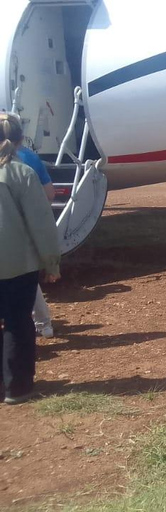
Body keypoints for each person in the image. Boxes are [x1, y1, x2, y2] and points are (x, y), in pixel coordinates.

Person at [0, 113, 60, 404]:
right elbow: (41, 223)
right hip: (15, 265)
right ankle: (17, 388)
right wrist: (51, 262)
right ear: (16, 142)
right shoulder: (22, 173)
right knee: (16, 323)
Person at [16, 143, 56, 338]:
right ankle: (43, 324)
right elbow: (50, 195)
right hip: (24, 232)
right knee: (28, 279)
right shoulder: (29, 159)